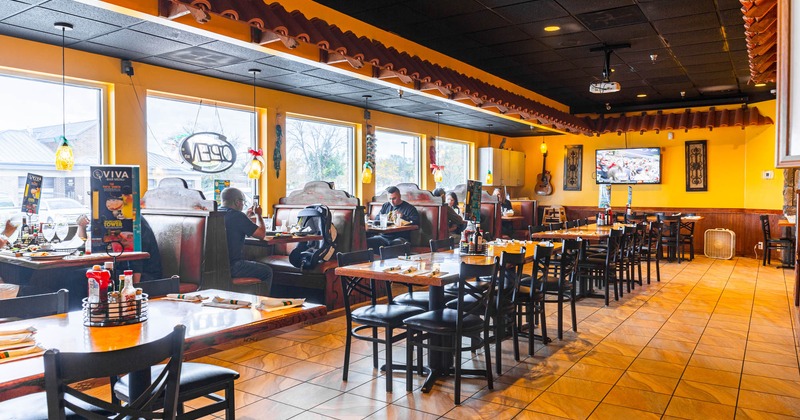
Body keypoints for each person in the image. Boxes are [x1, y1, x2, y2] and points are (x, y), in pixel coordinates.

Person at [77, 215, 162, 283]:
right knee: (76, 274)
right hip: (118, 269)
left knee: (81, 277)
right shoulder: (105, 219)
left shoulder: (136, 222)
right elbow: (87, 243)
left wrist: (134, 289)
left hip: (146, 277)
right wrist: (82, 226)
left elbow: (138, 259)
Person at [218, 187, 273, 292]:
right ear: (237, 202)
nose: (243, 204)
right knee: (267, 272)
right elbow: (261, 234)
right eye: (243, 202)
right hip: (232, 267)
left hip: (215, 267)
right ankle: (263, 303)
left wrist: (246, 217)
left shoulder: (215, 213)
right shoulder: (237, 216)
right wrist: (258, 215)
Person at [366, 186, 420, 251]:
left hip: (400, 237)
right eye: (390, 199)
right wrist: (385, 217)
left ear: (399, 196)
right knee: (367, 242)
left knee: (398, 244)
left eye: (394, 198)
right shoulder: (386, 205)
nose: (392, 201)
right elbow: (377, 219)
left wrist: (403, 216)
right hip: (384, 237)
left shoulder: (409, 208)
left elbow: (416, 222)